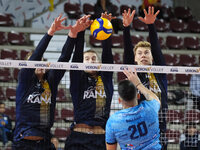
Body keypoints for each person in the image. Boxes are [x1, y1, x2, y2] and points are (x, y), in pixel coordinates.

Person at [12, 14, 89, 150]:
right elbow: (36, 54)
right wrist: (51, 32)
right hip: (23, 143)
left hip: (45, 142)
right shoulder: (24, 79)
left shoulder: (50, 81)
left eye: (42, 60)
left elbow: (64, 58)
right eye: (35, 61)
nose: (39, 62)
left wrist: (73, 33)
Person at [64, 12, 114, 150]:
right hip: (79, 138)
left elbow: (108, 55)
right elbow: (77, 57)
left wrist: (106, 28)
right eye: (87, 59)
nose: (91, 61)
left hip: (100, 140)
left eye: (94, 59)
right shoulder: (77, 81)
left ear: (99, 63)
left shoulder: (106, 79)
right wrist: (81, 31)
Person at [122, 7, 168, 149]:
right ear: (135, 59)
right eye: (140, 53)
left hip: (160, 126)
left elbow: (156, 47)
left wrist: (151, 25)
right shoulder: (134, 73)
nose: (143, 55)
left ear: (152, 57)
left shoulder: (160, 71)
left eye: (147, 53)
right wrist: (126, 28)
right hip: (139, 128)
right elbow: (128, 51)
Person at [106, 68, 161, 150]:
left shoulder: (113, 122)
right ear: (138, 96)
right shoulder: (150, 108)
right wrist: (138, 84)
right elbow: (156, 99)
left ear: (119, 100)